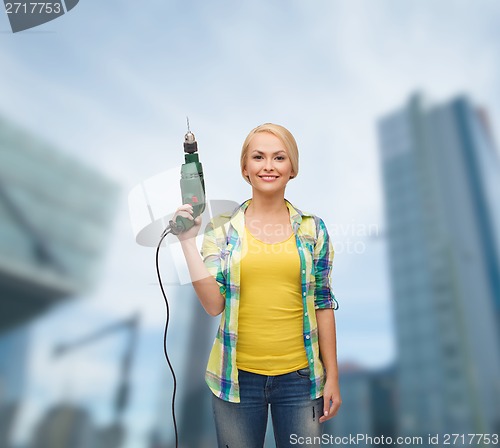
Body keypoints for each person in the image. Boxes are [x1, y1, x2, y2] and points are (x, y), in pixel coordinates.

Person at [173, 123, 341, 447]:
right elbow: (213, 305)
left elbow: (323, 303)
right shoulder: (221, 230)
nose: (268, 166)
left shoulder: (313, 230)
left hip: (301, 381)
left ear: (292, 168)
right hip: (235, 381)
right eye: (258, 157)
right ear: (245, 167)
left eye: (279, 157)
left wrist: (332, 375)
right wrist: (186, 241)